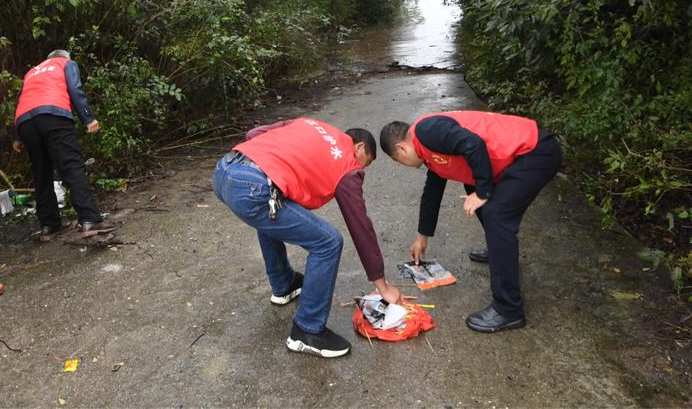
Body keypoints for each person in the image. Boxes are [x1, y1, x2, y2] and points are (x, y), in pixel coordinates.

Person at [213, 117, 402, 359]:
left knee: (271, 210)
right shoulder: (347, 161)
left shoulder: (311, 124)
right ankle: (307, 331)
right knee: (328, 241)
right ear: (360, 147)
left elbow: (254, 132)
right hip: (252, 188)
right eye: (366, 164)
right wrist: (382, 286)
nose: (361, 171)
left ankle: (284, 285)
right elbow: (360, 225)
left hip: (225, 170)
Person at [380, 109, 561, 333]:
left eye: (399, 161)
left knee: (495, 213)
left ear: (401, 148)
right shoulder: (426, 149)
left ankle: (508, 309)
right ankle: (499, 249)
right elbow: (432, 191)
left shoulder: (427, 131)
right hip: (522, 155)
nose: (404, 164)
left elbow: (473, 144)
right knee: (473, 184)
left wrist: (483, 193)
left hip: (534, 152)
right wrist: (421, 237)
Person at [13, 50, 114, 240]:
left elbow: (26, 100)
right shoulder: (66, 63)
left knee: (41, 172)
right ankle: (90, 220)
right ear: (63, 57)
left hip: (25, 122)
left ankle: (49, 226)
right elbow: (75, 89)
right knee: (71, 165)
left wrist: (19, 137)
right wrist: (88, 118)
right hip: (53, 114)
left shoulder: (32, 72)